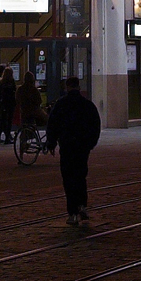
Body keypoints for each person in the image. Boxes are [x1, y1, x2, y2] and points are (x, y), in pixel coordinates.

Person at [46, 73, 102, 225]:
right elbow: (95, 125)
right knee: (80, 176)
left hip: (67, 146)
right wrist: (91, 143)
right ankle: (82, 205)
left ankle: (72, 212)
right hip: (82, 148)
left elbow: (53, 124)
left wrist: (51, 143)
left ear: (67, 87)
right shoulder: (87, 105)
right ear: (79, 86)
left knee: (68, 179)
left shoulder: (61, 104)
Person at [17, 64, 42, 137]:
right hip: (33, 111)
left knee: (24, 126)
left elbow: (17, 99)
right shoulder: (34, 90)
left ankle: (24, 142)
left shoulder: (20, 89)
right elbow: (39, 101)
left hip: (24, 111)